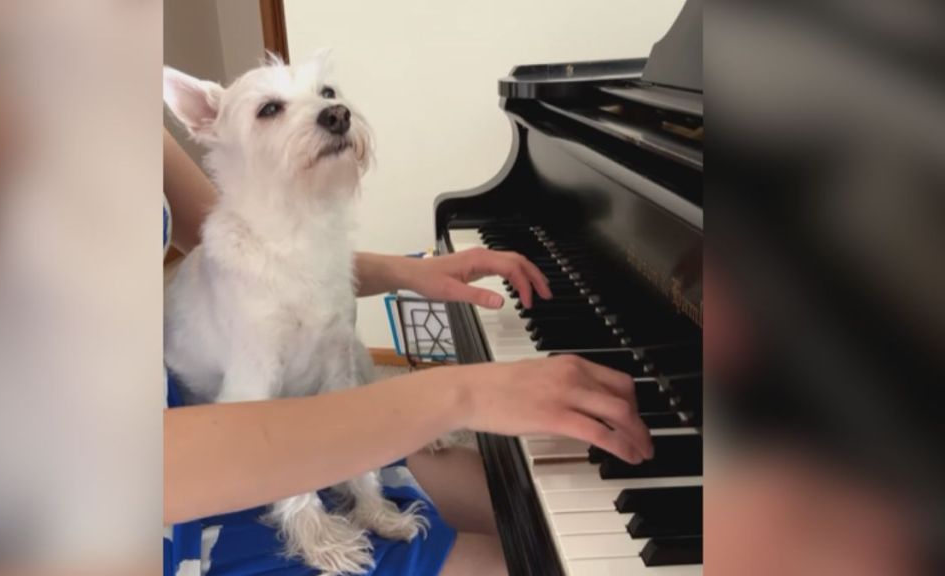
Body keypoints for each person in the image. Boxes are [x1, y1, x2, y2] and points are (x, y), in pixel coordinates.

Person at [162, 128, 654, 576]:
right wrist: (456, 396)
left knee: (531, 502)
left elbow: (249, 255)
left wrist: (408, 272)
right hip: (161, 487)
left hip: (208, 417)